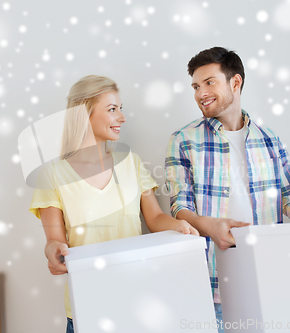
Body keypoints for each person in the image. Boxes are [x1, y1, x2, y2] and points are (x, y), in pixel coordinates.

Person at [164, 47, 290, 332]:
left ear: (235, 82)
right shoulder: (183, 140)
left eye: (210, 82)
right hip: (211, 285)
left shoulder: (269, 138)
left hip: (268, 279)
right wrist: (209, 226)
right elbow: (180, 208)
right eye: (196, 86)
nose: (200, 93)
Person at [29, 75, 199, 333]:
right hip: (87, 306)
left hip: (137, 299)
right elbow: (54, 240)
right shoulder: (52, 175)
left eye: (121, 109)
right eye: (112, 109)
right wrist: (53, 251)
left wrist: (179, 225)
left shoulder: (131, 162)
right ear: (83, 114)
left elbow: (154, 219)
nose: (122, 117)